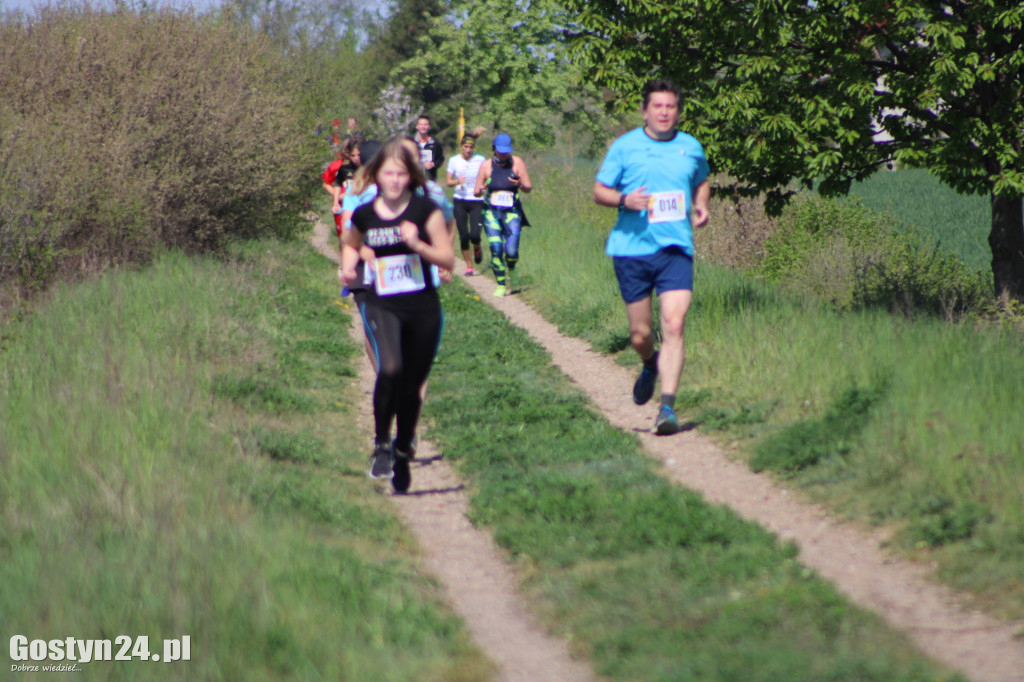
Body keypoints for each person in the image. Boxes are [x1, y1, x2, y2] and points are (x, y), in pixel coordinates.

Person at [593, 78, 710, 436]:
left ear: (678, 111)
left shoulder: (690, 146)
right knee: (641, 334)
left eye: (670, 106)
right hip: (631, 250)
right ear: (645, 110)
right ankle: (649, 363)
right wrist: (624, 200)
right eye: (657, 106)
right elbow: (599, 191)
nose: (663, 112)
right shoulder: (625, 147)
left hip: (675, 249)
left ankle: (668, 407)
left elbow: (702, 179)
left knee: (674, 324)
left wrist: (701, 204)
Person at [340, 138, 455, 493]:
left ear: (410, 176)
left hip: (422, 306)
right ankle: (382, 446)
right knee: (389, 370)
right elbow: (350, 242)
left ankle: (404, 447)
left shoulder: (425, 210)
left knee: (412, 387)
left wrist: (418, 244)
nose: (393, 180)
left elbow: (448, 259)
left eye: (400, 174)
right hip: (382, 303)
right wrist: (349, 267)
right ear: (376, 175)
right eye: (387, 173)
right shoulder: (366, 212)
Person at [473, 132, 532, 297]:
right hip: (492, 213)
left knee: (511, 251)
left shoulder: (517, 163)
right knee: (496, 248)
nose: (503, 154)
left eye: (506, 150)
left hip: (512, 213)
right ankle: (500, 284)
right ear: (494, 149)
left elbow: (528, 187)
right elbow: (476, 192)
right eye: (500, 150)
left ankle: (512, 268)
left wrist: (520, 184)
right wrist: (481, 189)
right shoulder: (486, 166)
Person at [445, 134, 487, 275]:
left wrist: (483, 186)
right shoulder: (454, 161)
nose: (468, 150)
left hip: (476, 201)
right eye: (466, 147)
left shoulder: (480, 160)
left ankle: (477, 247)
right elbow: (448, 182)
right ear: (461, 147)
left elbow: (488, 177)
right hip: (460, 201)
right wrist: (457, 181)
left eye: (471, 147)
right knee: (464, 235)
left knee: (475, 235)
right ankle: (469, 266)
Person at [414, 115, 444, 181]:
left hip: (430, 180)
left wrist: (433, 164)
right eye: (421, 124)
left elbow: (440, 159)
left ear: (429, 127)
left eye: (425, 124)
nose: (423, 127)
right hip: (414, 181)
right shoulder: (411, 142)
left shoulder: (435, 142)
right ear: (417, 126)